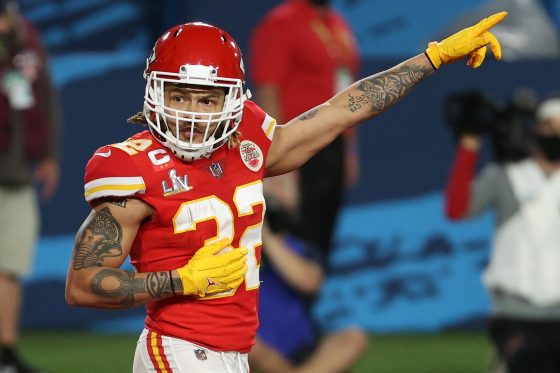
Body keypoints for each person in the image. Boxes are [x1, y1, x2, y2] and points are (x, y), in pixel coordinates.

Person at [65, 12, 507, 373]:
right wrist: (183, 280)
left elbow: (340, 112)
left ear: (232, 101)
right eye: (180, 96)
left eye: (207, 100)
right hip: (179, 348)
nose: (192, 115)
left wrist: (430, 59)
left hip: (233, 352)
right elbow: (83, 286)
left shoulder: (249, 142)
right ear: (155, 92)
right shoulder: (133, 166)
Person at [249, 1, 366, 365]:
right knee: (284, 247)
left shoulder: (337, 24)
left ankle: (298, 343)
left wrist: (348, 149)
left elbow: (346, 88)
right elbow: (267, 91)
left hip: (330, 154)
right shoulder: (282, 23)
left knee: (315, 251)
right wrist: (277, 166)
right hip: (297, 155)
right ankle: (261, 340)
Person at [444, 95, 560, 373]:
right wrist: (468, 144)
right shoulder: (508, 175)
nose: (555, 135)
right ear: (534, 130)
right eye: (549, 127)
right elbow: (457, 209)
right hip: (514, 311)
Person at [0, 1, 61, 372]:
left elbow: (45, 95)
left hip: (17, 171)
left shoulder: (26, 36)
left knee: (11, 262)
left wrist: (49, 154)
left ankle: (5, 351)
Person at [249, 187, 367, 373]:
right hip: (255, 348)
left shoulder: (297, 247)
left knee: (354, 337)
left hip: (301, 349)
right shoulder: (236, 250)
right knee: (251, 345)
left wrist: (268, 237)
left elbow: (309, 282)